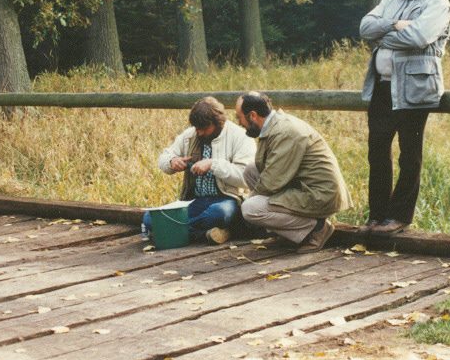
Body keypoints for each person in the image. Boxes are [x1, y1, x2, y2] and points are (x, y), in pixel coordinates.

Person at [358, 0, 450, 236]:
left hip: (415, 88)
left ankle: (399, 217)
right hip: (383, 87)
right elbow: (365, 28)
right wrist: (393, 25)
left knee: (409, 156)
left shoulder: (438, 3)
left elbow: (418, 37)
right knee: (377, 152)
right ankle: (377, 215)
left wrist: (382, 37)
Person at [235, 91, 351, 254]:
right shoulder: (275, 125)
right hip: (303, 187)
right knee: (250, 171)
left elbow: (271, 182)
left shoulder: (284, 132)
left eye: (239, 117)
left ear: (253, 116)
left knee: (250, 209)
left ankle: (318, 227)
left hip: (319, 194)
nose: (239, 122)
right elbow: (269, 171)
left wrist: (252, 196)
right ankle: (285, 233)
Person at [143, 96, 256, 244]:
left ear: (219, 123)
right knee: (149, 218)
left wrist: (213, 164)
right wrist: (172, 161)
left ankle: (170, 232)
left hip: (227, 200)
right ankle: (213, 232)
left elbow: (245, 178)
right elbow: (164, 157)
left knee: (218, 214)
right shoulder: (191, 135)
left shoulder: (240, 137)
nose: (200, 133)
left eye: (204, 129)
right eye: (197, 128)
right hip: (196, 201)